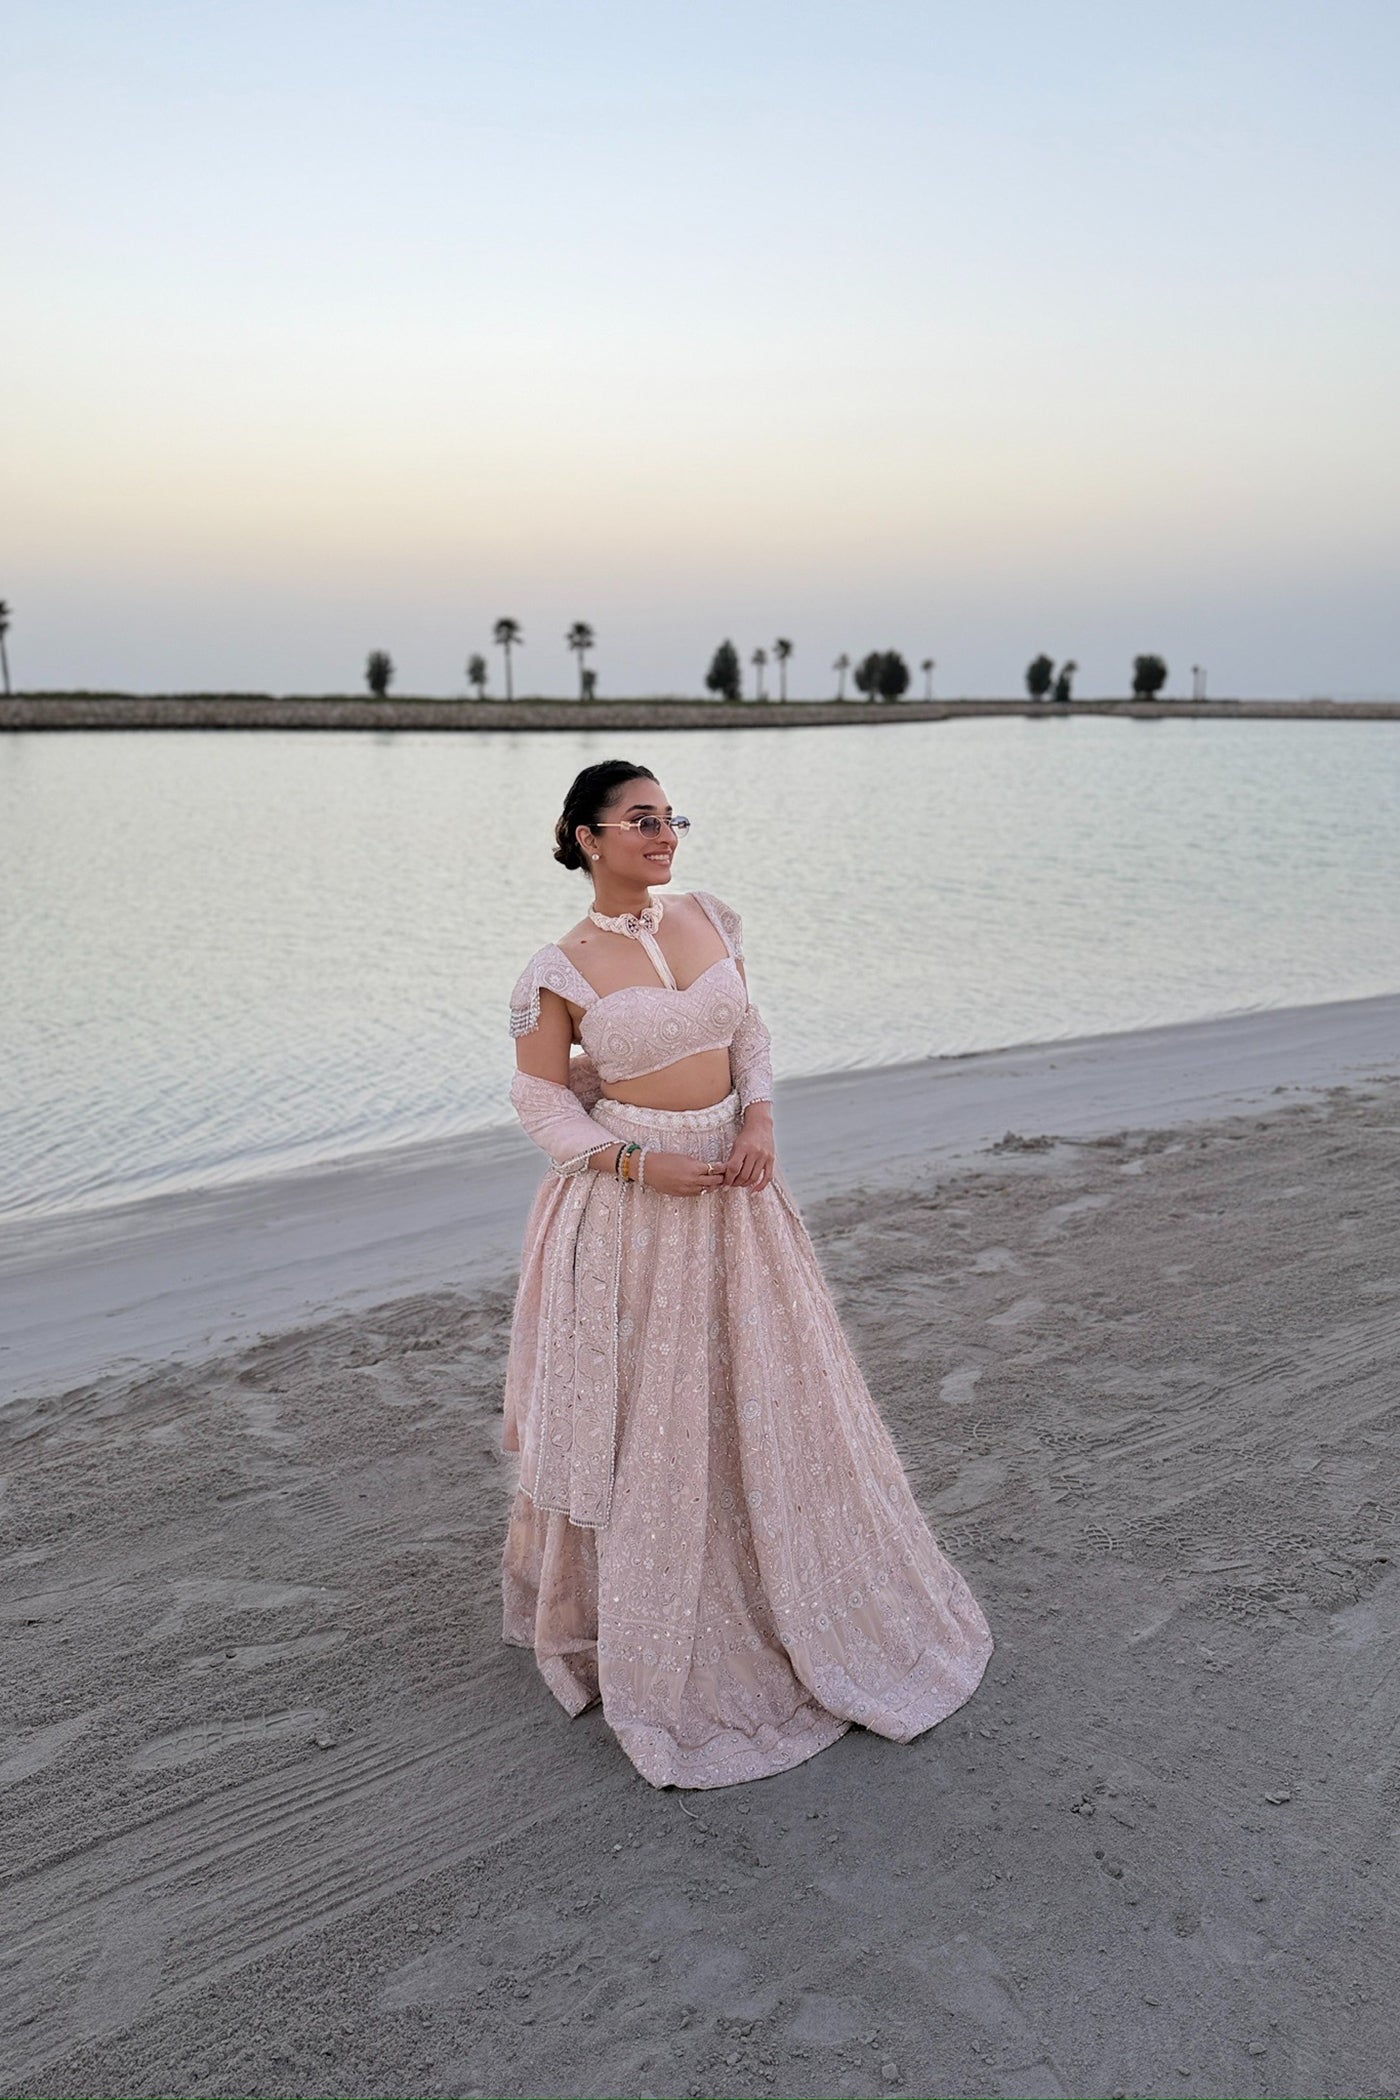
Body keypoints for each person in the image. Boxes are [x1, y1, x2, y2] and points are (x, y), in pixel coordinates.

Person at [502, 757, 993, 1788]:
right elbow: (543, 1106)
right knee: (652, 1409)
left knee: (763, 1387)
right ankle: (640, 1613)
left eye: (669, 817)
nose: (663, 834)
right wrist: (638, 1161)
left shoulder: (710, 918)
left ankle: (795, 1591)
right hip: (637, 1206)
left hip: (734, 1185)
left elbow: (749, 1035)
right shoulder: (556, 969)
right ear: (585, 836)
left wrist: (760, 1119)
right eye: (639, 820)